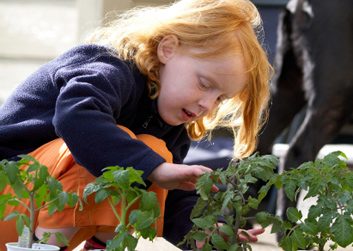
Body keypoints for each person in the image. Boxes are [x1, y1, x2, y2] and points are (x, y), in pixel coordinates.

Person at [0, 0, 272, 250]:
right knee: (119, 153)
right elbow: (76, 118)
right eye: (204, 84)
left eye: (220, 98)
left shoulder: (171, 128)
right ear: (168, 49)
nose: (207, 105)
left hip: (36, 217)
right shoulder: (109, 66)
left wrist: (205, 233)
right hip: (8, 201)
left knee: (147, 155)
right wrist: (155, 168)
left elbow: (169, 198)